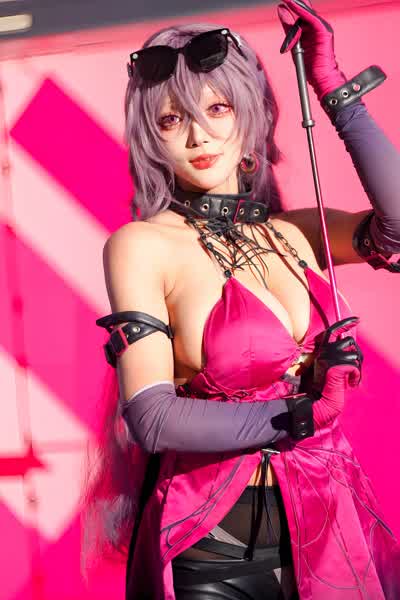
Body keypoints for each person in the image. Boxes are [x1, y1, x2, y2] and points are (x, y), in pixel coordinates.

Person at [85, 1, 400, 598]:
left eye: (217, 108)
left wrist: (334, 90)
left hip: (330, 525)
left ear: (248, 113)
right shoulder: (142, 245)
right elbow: (153, 418)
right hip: (212, 545)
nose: (198, 136)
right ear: (152, 138)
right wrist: (302, 414)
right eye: (172, 120)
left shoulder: (294, 234)